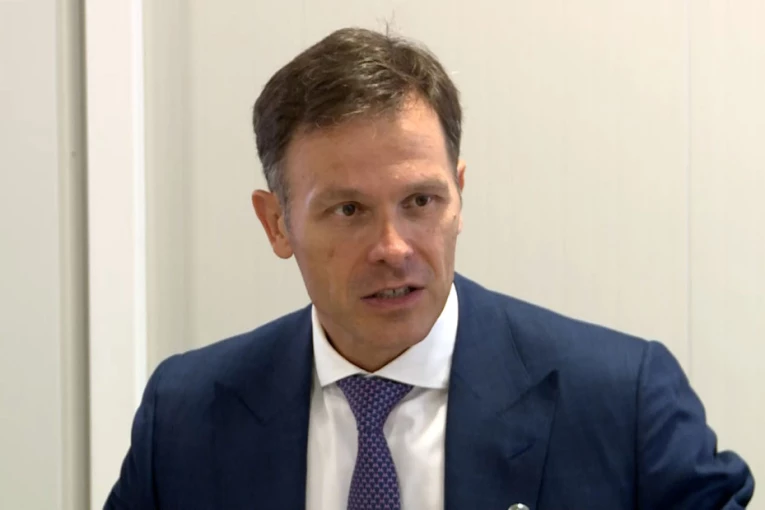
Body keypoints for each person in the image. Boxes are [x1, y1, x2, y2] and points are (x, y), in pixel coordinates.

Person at [105, 27, 754, 510]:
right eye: (349, 210)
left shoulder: (620, 399)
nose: (392, 246)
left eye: (420, 201)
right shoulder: (186, 415)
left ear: (458, 195)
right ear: (277, 223)